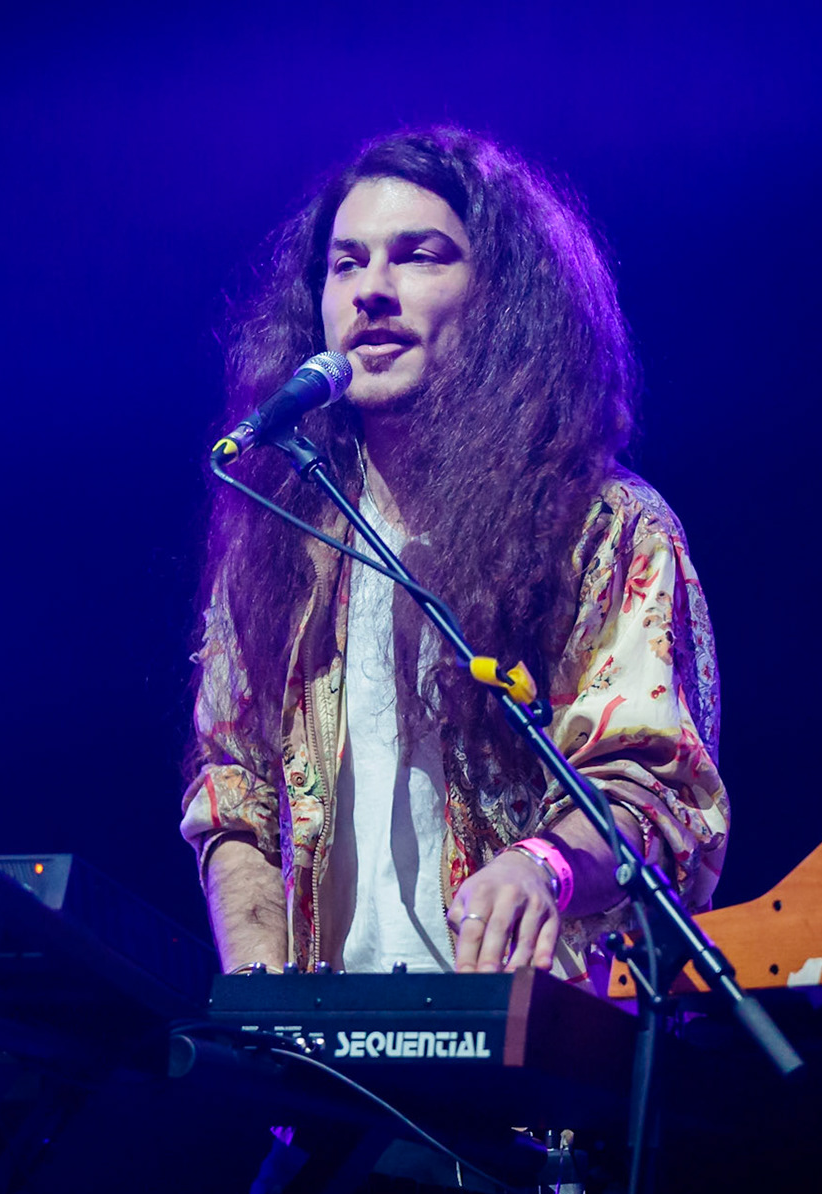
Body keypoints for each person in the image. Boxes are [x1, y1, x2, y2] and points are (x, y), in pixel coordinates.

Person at [183, 126, 727, 983]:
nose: (372, 292)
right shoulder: (278, 540)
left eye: (419, 257)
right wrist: (257, 998)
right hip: (324, 1072)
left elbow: (651, 790)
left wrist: (542, 865)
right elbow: (234, 797)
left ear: (503, 300)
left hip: (527, 1057)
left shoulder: (604, 527)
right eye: (346, 263)